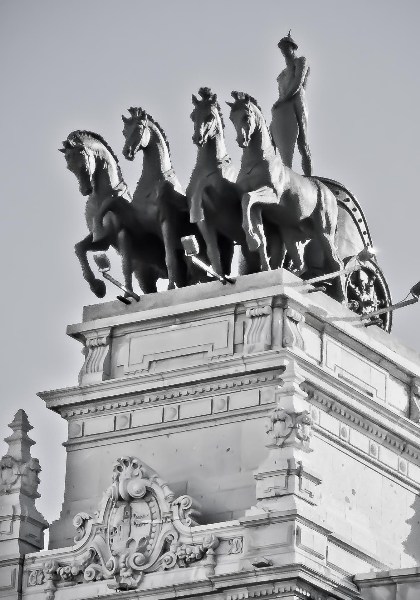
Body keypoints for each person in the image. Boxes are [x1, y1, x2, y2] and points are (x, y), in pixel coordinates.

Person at [270, 31, 312, 176]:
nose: (284, 50)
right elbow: (281, 93)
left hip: (298, 101)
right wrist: (279, 103)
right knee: (274, 134)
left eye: (286, 47)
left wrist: (283, 100)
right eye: (282, 47)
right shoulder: (281, 75)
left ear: (293, 47)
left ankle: (309, 177)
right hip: (285, 104)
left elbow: (298, 83)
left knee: (303, 143)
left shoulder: (300, 61)